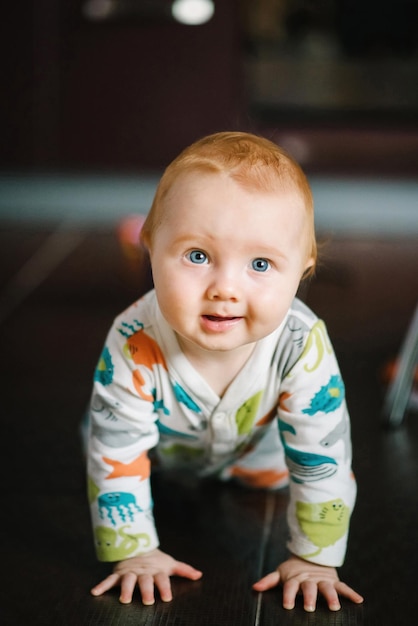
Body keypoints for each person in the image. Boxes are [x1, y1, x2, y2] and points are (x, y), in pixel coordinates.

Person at [87, 131, 364, 612]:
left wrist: (315, 559)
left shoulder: (301, 344)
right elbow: (117, 453)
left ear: (303, 269)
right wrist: (135, 550)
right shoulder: (133, 341)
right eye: (198, 256)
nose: (225, 288)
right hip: (163, 459)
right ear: (150, 245)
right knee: (107, 436)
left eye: (260, 263)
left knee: (298, 469)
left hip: (264, 455)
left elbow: (324, 451)